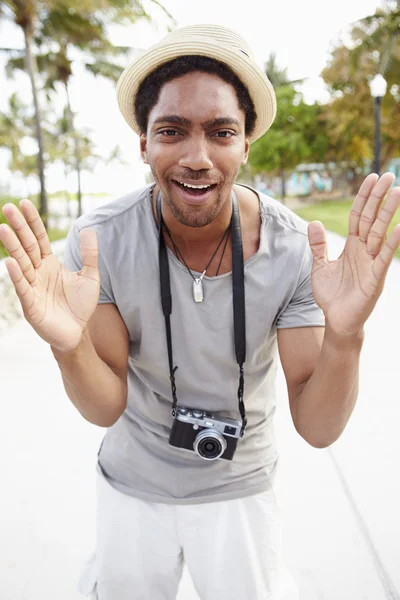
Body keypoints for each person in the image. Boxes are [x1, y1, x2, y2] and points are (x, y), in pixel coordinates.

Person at [1, 24, 400, 600]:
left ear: (246, 143)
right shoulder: (100, 242)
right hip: (132, 483)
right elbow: (104, 404)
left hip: (241, 486)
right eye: (171, 131)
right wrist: (69, 345)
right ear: (143, 143)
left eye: (221, 132)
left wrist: (347, 335)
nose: (197, 157)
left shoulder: (292, 249)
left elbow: (318, 427)